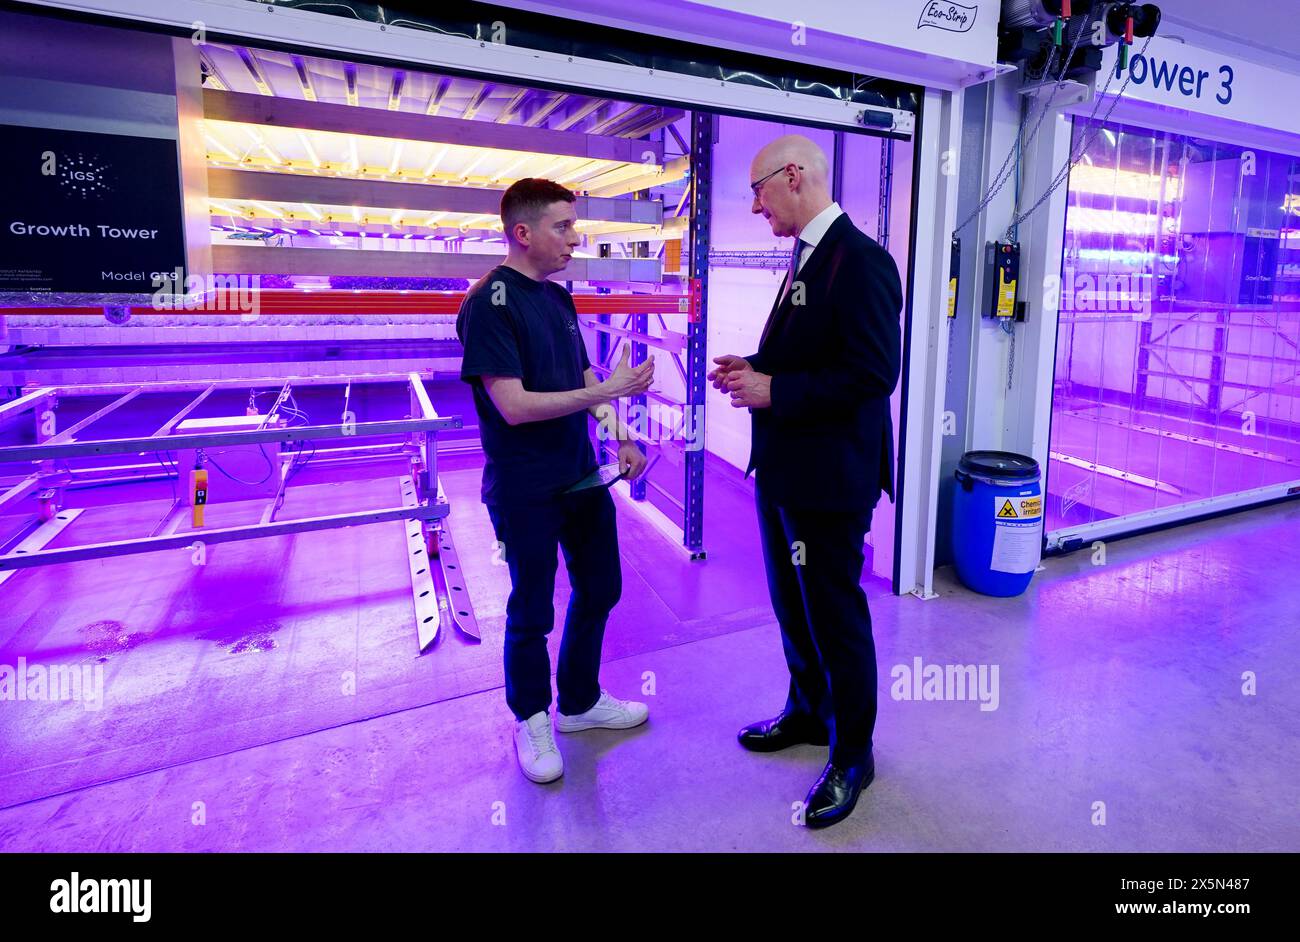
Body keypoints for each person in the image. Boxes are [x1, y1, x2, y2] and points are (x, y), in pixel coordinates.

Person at [709, 135, 902, 828]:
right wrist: (754, 364)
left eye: (758, 189)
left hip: (830, 479)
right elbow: (813, 351)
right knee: (793, 605)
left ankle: (854, 754)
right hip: (786, 471)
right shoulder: (809, 256)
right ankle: (809, 711)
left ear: (794, 176)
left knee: (834, 614)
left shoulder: (864, 263)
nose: (755, 204)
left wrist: (776, 391)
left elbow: (874, 373)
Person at [456, 177, 655, 784]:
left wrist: (618, 430)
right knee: (532, 610)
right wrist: (604, 392)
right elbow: (513, 404)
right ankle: (531, 717)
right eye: (563, 226)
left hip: (580, 476)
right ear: (523, 233)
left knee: (600, 589)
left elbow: (583, 375)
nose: (576, 237)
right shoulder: (488, 303)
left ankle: (579, 701)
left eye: (575, 225)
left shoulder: (558, 299)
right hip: (526, 489)